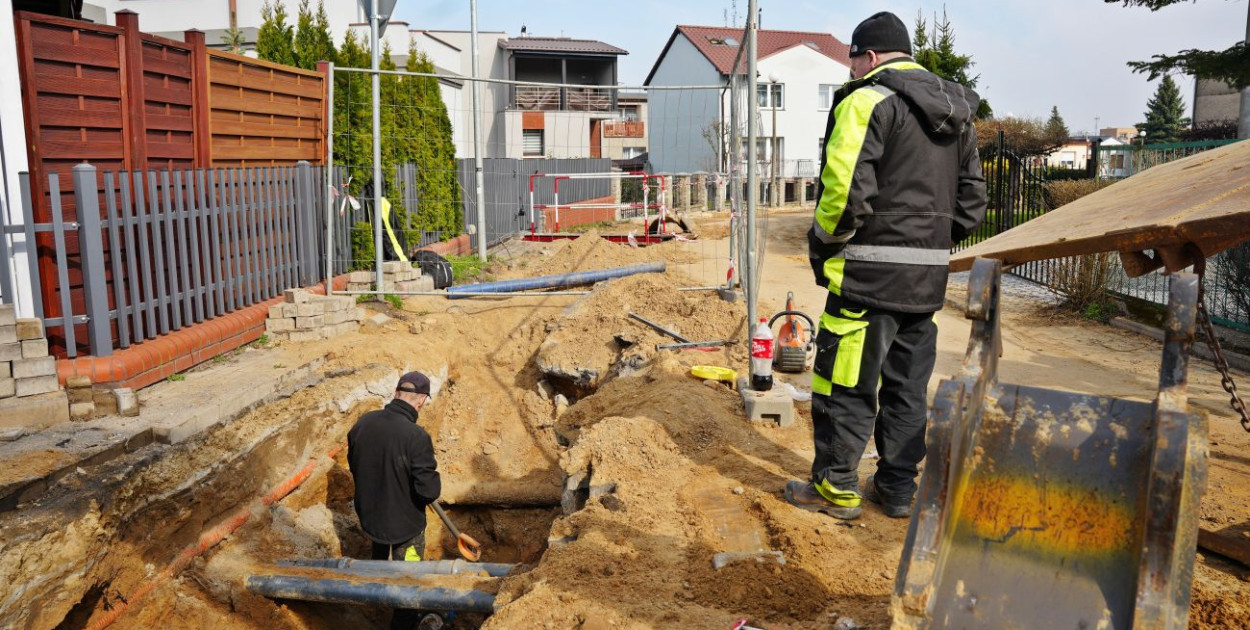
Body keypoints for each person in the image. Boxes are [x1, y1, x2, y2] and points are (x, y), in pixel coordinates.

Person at [785, 11, 988, 520]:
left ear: (869, 57)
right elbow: (971, 205)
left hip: (866, 278)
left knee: (844, 383)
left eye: (852, 60)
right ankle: (897, 490)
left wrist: (825, 245)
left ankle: (835, 487)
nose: (850, 71)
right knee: (907, 387)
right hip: (926, 283)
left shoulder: (867, 101)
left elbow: (843, 193)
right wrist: (927, 248)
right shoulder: (956, 112)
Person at [348, 371, 442, 628]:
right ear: (421, 400)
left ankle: (375, 596)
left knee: (378, 557)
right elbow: (428, 492)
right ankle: (403, 619)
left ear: (396, 393)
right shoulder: (416, 437)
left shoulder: (363, 423)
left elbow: (354, 465)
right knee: (409, 574)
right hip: (405, 527)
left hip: (370, 517)